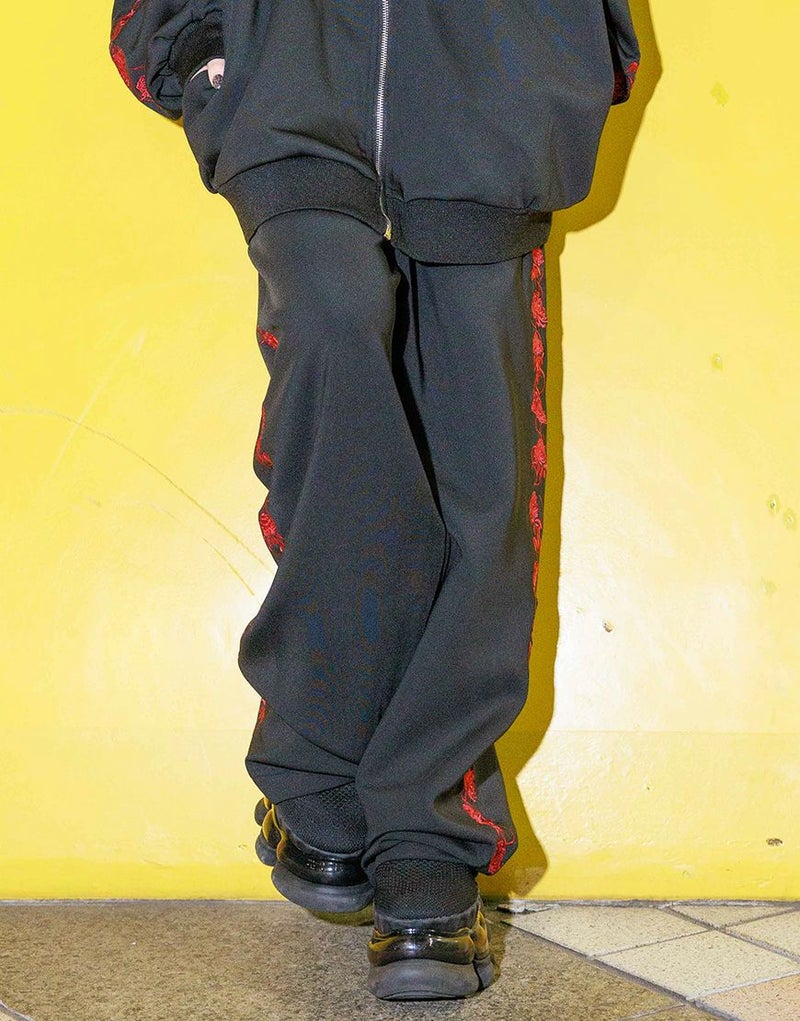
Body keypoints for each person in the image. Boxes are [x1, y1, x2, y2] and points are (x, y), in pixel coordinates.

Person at [109, 0, 639, 1001]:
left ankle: (424, 845)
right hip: (294, 86)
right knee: (334, 331)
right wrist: (200, 49)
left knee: (477, 475)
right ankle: (319, 759)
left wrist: (565, 59)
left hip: (489, 92)